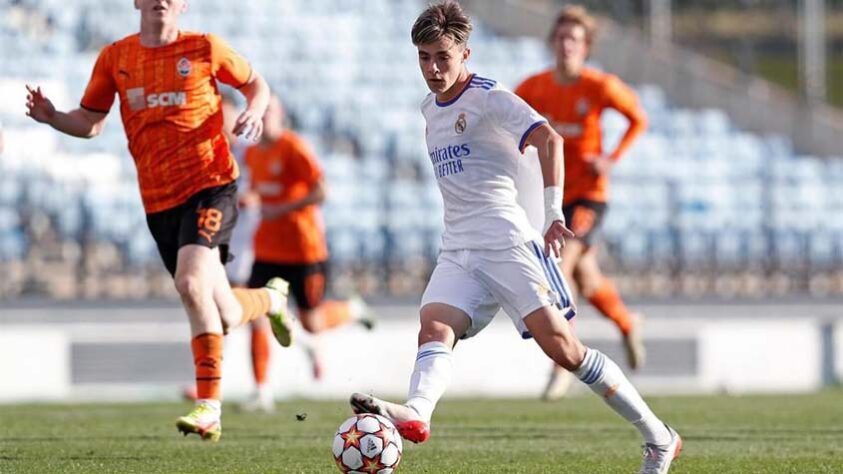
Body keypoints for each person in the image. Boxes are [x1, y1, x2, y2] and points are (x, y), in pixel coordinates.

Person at [349, 3, 681, 473]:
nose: (433, 68)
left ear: (465, 52)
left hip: (508, 242)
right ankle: (418, 413)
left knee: (565, 350)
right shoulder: (430, 109)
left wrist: (551, 212)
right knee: (434, 326)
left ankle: (659, 436)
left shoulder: (489, 95)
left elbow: (550, 139)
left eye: (442, 56)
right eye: (424, 57)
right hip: (459, 249)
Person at [24, 0, 295, 442]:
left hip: (212, 185)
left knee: (191, 284)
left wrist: (254, 110)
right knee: (222, 311)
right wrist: (53, 117)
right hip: (159, 202)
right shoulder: (116, 58)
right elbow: (92, 121)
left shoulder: (205, 48)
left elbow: (256, 84)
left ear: (183, 4)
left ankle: (209, 406)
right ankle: (271, 300)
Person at [515, 5, 649, 400]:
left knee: (561, 264)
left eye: (574, 39)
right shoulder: (535, 86)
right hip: (554, 196)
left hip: (589, 196)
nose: (566, 45)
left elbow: (638, 118)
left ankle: (561, 364)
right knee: (587, 279)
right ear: (552, 42)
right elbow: (505, 119)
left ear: (586, 46)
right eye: (560, 38)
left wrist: (611, 159)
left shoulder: (598, 86)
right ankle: (627, 323)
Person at [243, 94, 374, 411]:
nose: (264, 118)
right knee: (256, 315)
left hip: (305, 250)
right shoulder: (251, 154)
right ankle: (262, 391)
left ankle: (350, 310)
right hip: (267, 248)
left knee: (311, 323)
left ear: (280, 113)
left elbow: (321, 190)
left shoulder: (294, 147)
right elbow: (260, 191)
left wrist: (283, 208)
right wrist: (251, 200)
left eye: (269, 111)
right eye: (259, 112)